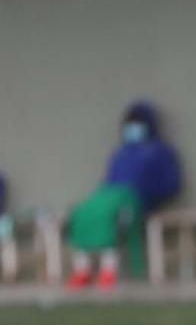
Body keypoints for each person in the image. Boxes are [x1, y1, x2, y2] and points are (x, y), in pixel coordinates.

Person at [66, 101, 181, 289]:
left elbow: (171, 184)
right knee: (82, 213)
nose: (133, 129)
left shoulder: (160, 152)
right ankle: (82, 270)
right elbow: (108, 180)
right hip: (108, 197)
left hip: (135, 200)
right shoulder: (120, 153)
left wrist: (150, 196)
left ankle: (108, 270)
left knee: (111, 218)